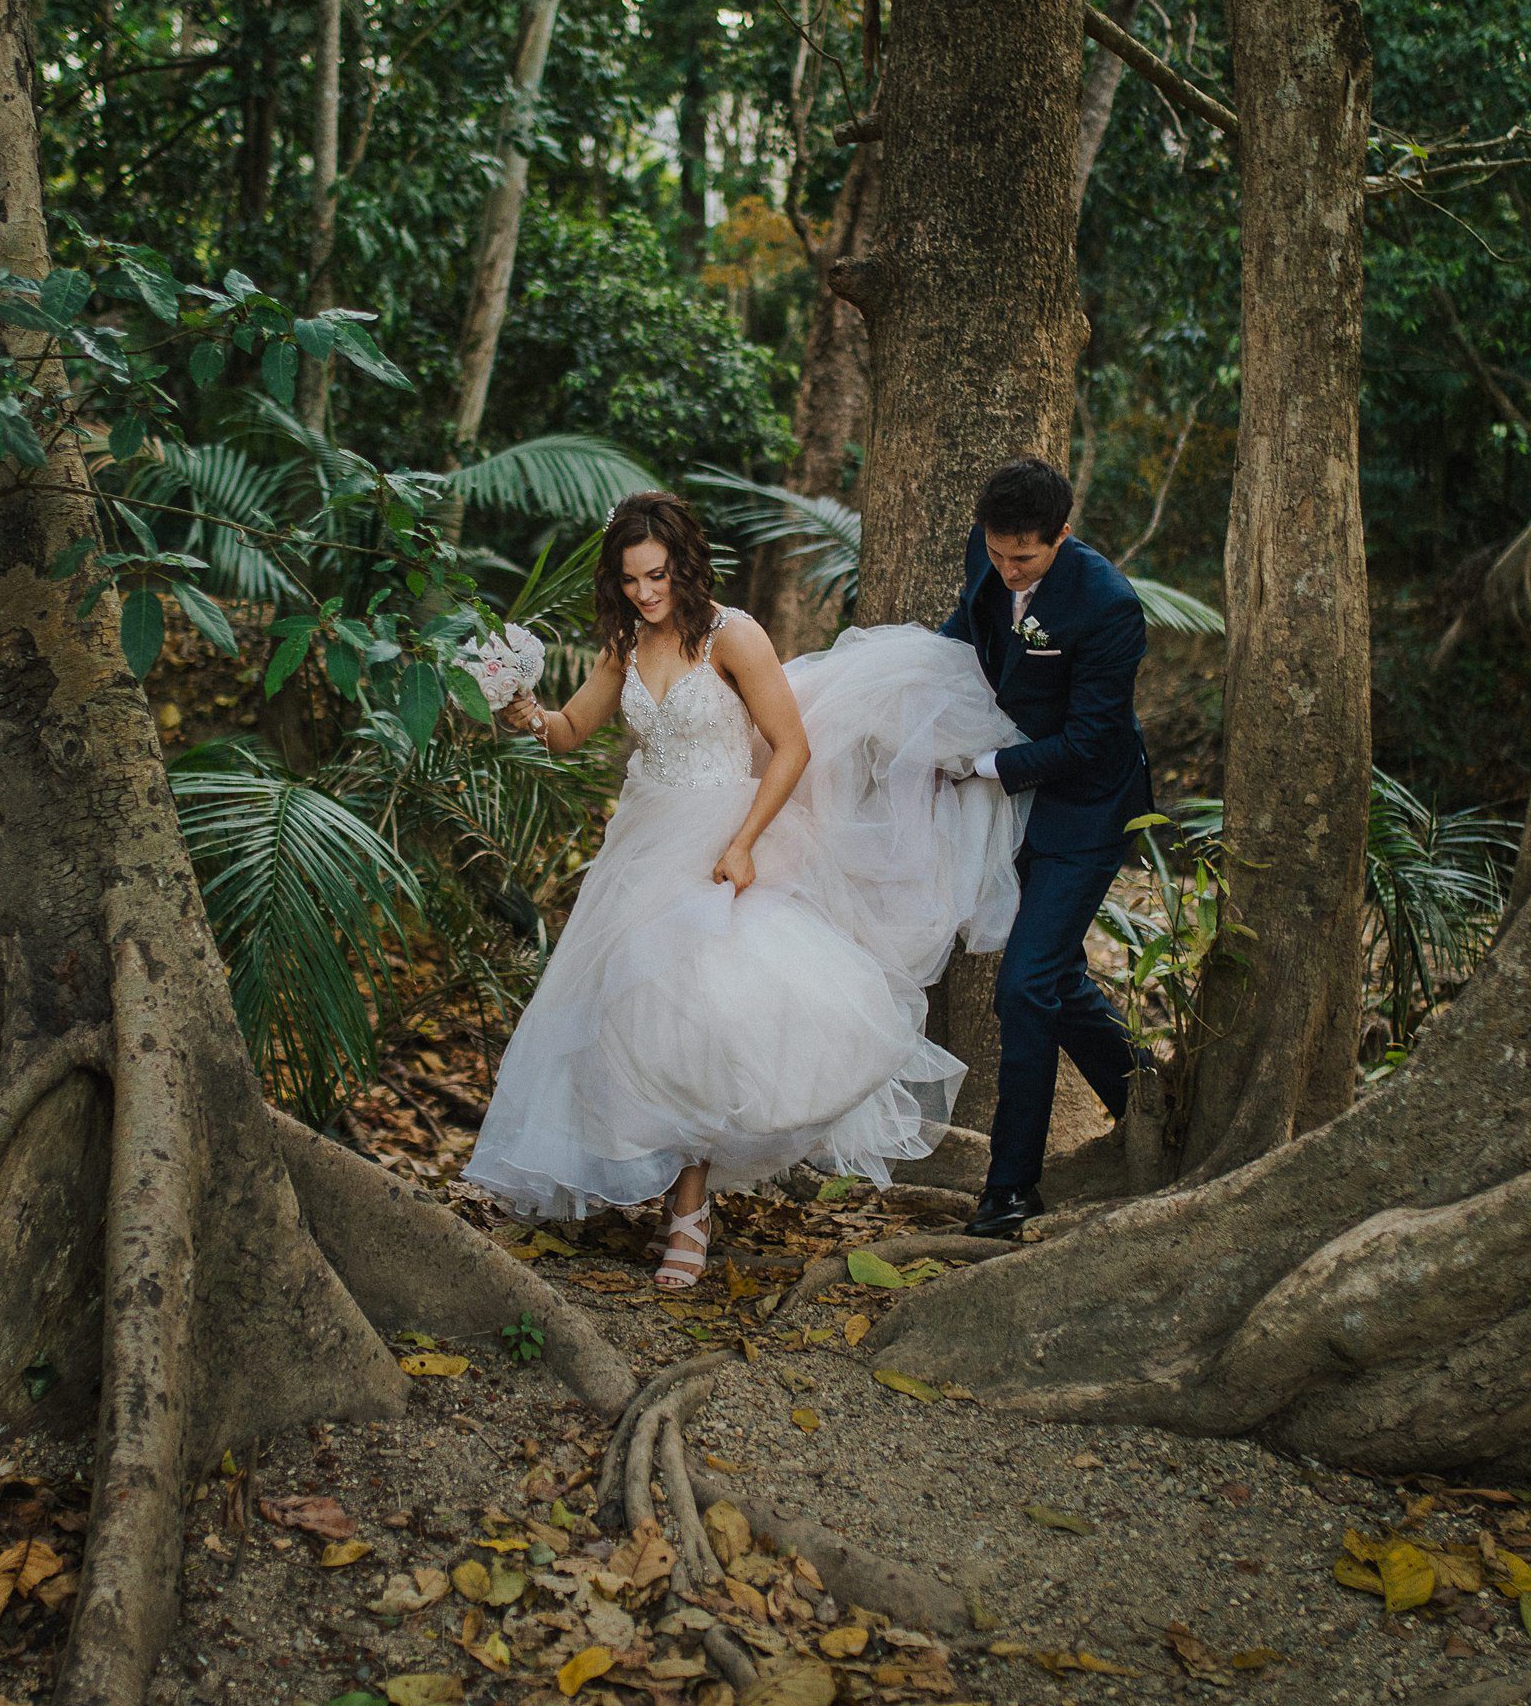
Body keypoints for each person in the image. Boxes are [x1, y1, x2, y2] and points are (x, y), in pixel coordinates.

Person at [463, 492, 1027, 1289]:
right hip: (643, 840)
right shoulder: (625, 641)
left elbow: (791, 747)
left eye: (657, 575)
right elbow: (570, 730)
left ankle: (689, 1213)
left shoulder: (735, 635)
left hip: (723, 835)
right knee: (630, 1015)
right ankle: (649, 1177)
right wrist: (523, 709)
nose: (645, 593)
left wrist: (742, 843)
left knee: (707, 1012)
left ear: (685, 564)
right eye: (630, 579)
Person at [937, 456, 1156, 1240]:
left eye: (1023, 558)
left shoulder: (1108, 606)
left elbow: (1091, 741)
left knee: (1026, 986)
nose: (1007, 569)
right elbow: (968, 630)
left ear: (1062, 534)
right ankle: (1152, 1105)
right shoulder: (988, 549)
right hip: (1008, 804)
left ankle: (1010, 1191)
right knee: (1056, 977)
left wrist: (982, 766)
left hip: (1083, 809)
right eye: (997, 553)